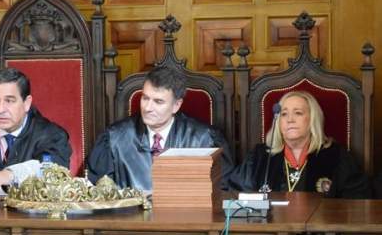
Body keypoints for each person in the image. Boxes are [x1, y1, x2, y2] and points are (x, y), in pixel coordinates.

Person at [86, 67, 233, 191]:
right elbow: (98, 194)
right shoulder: (114, 139)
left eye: (158, 101)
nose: (148, 108)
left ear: (176, 105)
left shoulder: (204, 140)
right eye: (145, 98)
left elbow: (221, 192)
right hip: (130, 216)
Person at [228, 90, 369, 198]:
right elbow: (236, 195)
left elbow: (357, 201)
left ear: (312, 119)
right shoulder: (259, 157)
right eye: (284, 114)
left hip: (320, 228)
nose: (290, 119)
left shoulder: (336, 156)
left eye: (298, 113)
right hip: (269, 227)